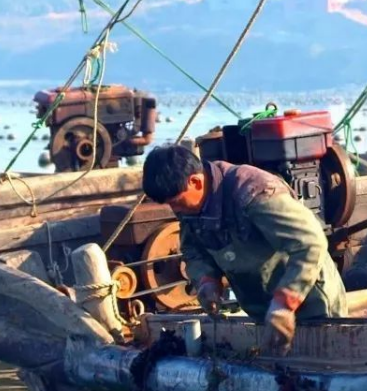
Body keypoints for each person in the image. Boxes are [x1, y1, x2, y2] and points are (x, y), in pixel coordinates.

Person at [142, 144, 348, 355]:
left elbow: (310, 243)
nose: (175, 210)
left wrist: (285, 303)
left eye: (176, 202)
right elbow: (193, 250)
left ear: (195, 181)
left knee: (327, 367)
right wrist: (206, 281)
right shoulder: (188, 205)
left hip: (310, 300)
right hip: (262, 308)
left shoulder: (255, 192)